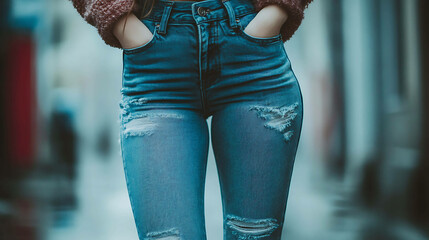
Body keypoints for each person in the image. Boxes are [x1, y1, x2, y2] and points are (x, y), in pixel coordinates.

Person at [70, 0, 313, 239]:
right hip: (156, 65)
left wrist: (275, 13)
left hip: (253, 59)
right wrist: (125, 27)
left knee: (254, 234)